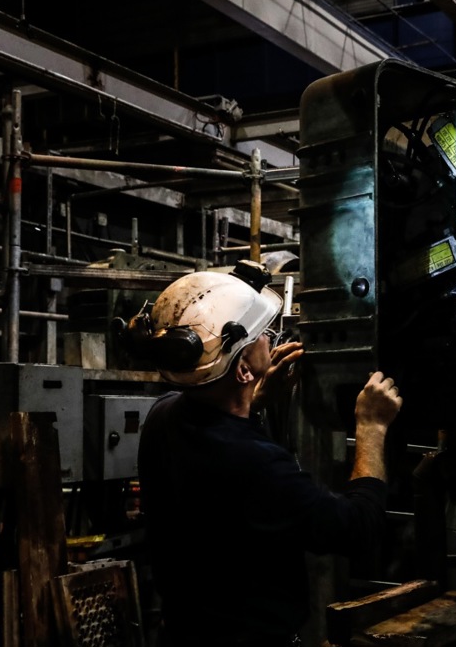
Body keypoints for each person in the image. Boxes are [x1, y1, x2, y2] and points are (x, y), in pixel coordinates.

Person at [125, 259, 402, 647]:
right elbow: (358, 528)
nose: (271, 339)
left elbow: (218, 435)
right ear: (241, 370)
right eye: (262, 335)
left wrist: (254, 402)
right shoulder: (255, 464)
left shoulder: (163, 414)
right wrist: (371, 428)